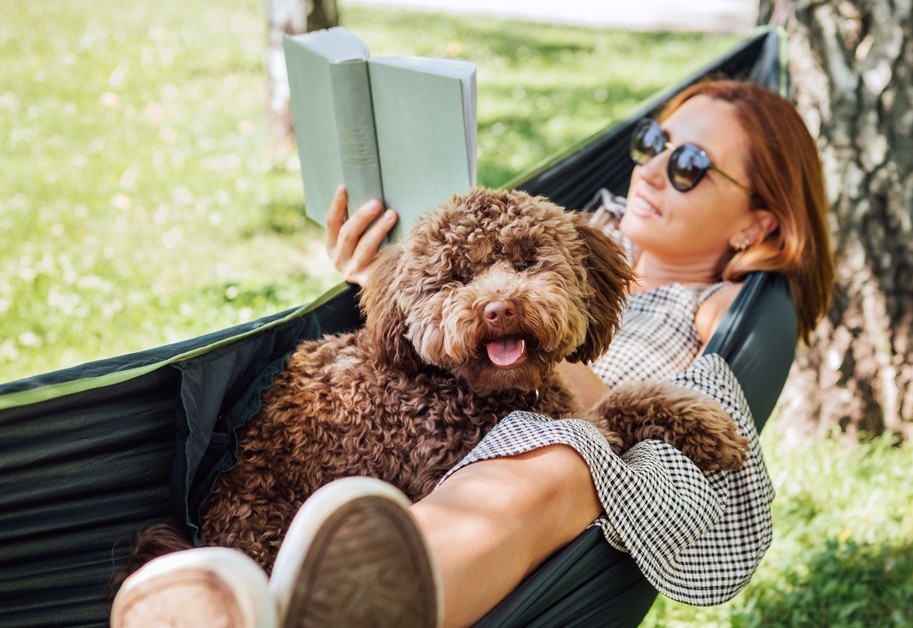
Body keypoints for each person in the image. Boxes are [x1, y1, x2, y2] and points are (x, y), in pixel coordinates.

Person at [112, 79, 833, 627]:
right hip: (428, 431)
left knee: (541, 466)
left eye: (692, 166)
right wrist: (382, 275)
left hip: (564, 451)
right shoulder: (571, 228)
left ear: (756, 225)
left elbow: (702, 396)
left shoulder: (716, 306)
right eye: (652, 142)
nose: (651, 170)